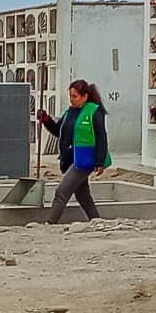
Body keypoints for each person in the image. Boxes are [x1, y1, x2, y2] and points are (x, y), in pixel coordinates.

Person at [36, 79, 110, 225]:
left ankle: (51, 222)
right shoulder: (70, 112)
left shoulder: (95, 111)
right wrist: (45, 119)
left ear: (85, 96)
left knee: (62, 192)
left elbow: (101, 137)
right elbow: (58, 131)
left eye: (74, 96)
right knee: (83, 195)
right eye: (70, 96)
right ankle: (96, 221)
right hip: (71, 158)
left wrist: (99, 162)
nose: (71, 100)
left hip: (84, 160)